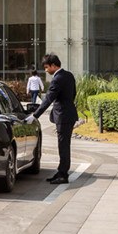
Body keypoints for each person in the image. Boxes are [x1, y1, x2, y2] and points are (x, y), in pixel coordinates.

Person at [26, 53, 78, 184]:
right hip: (69, 114)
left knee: (63, 146)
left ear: (54, 66)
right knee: (64, 145)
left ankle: (63, 174)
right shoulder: (69, 75)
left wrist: (35, 115)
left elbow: (48, 99)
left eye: (46, 67)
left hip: (63, 116)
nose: (46, 70)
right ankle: (61, 171)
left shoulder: (57, 79)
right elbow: (73, 94)